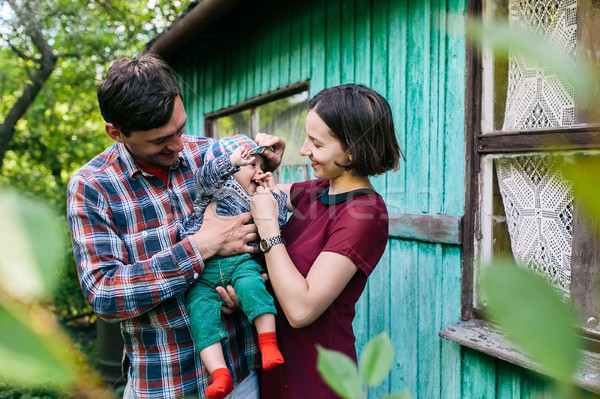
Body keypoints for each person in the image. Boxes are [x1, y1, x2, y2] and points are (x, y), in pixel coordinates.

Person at [66, 54, 285, 398]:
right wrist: (200, 247)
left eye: (180, 129)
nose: (178, 145)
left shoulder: (211, 153)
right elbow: (104, 293)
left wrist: (268, 159)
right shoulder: (93, 186)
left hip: (242, 377)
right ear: (116, 133)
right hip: (164, 383)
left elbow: (256, 164)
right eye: (159, 141)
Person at [221, 84, 403, 398]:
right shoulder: (320, 188)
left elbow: (302, 309)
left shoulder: (365, 215)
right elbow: (259, 192)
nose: (304, 150)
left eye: (316, 143)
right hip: (276, 366)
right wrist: (264, 164)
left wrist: (267, 227)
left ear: (352, 151)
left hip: (316, 377)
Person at [180, 134, 286, 398]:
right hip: (204, 274)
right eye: (253, 165)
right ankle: (219, 374)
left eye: (263, 167)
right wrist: (231, 160)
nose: (260, 171)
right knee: (200, 311)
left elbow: (278, 222)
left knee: (253, 287)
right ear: (231, 167)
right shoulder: (214, 189)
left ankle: (269, 345)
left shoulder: (256, 198)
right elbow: (204, 176)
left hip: (241, 264)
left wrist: (274, 195)